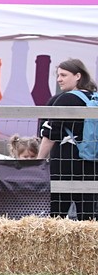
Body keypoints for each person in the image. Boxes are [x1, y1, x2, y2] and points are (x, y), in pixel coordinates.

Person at [37, 58, 98, 217]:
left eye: (63, 75)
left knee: (57, 215)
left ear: (78, 76)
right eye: (58, 75)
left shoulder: (66, 99)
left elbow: (50, 135)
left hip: (65, 164)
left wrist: (37, 162)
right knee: (89, 217)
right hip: (91, 164)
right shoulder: (94, 97)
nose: (59, 79)